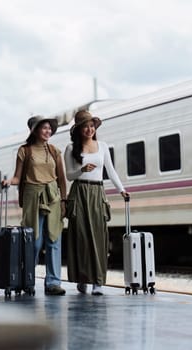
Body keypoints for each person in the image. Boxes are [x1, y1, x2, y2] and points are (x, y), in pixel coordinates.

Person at [64, 110, 129, 296]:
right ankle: (82, 279)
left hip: (97, 192)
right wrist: (81, 170)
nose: (89, 129)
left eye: (92, 126)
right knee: (82, 237)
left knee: (100, 237)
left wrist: (121, 190)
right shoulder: (71, 149)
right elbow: (70, 175)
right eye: (85, 126)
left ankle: (98, 282)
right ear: (79, 130)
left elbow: (111, 171)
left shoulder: (102, 146)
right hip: (79, 192)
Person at [2, 115, 67, 296]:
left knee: (54, 239)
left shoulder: (55, 151)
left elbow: (61, 178)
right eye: (43, 128)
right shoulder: (25, 151)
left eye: (49, 128)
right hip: (32, 197)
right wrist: (9, 182)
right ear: (35, 131)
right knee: (34, 242)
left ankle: (53, 282)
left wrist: (64, 200)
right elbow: (17, 177)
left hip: (53, 196)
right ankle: (27, 279)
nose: (47, 131)